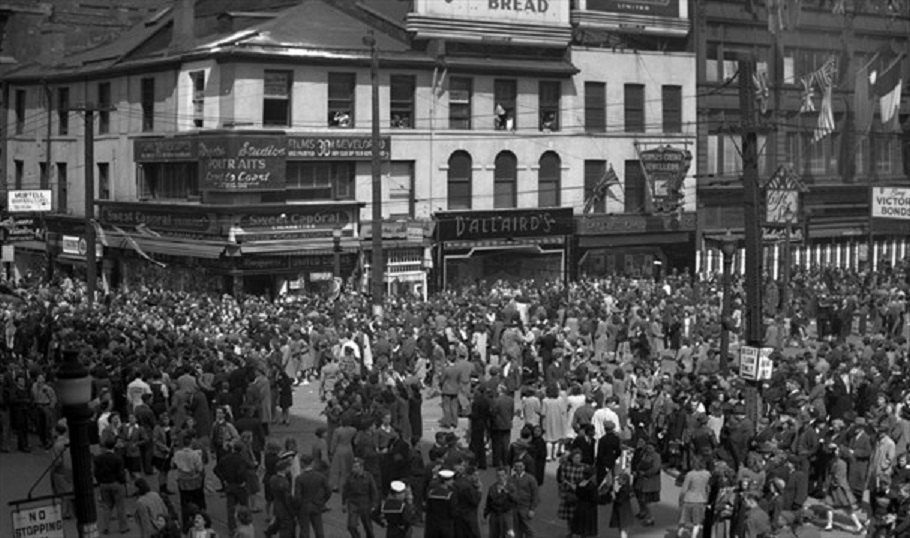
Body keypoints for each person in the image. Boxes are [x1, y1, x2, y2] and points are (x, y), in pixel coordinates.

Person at [94, 438, 130, 535]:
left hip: (104, 484)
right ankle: (123, 527)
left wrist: (100, 481)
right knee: (120, 506)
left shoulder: (98, 458)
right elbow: (121, 473)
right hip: (116, 483)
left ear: (104, 447)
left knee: (106, 506)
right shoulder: (118, 458)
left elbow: (96, 472)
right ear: (114, 447)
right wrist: (122, 481)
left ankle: (105, 527)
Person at [172, 432, 206, 523]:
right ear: (191, 443)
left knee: (184, 503)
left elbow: (173, 465)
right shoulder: (195, 454)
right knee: (198, 501)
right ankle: (199, 520)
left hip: (182, 481)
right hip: (194, 480)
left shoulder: (177, 454)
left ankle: (186, 522)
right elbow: (199, 468)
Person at [296, 453, 331, 538]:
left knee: (305, 531)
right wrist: (323, 501)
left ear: (302, 463)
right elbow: (328, 491)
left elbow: (298, 496)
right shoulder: (320, 476)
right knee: (319, 529)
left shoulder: (300, 478)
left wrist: (296, 507)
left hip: (304, 507)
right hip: (316, 505)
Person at [343, 457, 379, 538]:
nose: (353, 469)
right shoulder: (350, 477)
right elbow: (345, 490)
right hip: (353, 502)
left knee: (368, 526)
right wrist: (343, 503)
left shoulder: (368, 477)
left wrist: (374, 504)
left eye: (356, 467)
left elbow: (374, 491)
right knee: (351, 526)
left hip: (365, 503)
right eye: (353, 467)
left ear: (361, 468)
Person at [679, 457, 712, 538]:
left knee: (684, 519)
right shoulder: (707, 474)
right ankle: (694, 535)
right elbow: (708, 488)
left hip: (688, 499)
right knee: (696, 522)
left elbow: (684, 489)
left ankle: (679, 533)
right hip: (700, 500)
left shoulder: (690, 474)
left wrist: (680, 499)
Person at [484, 467, 516, 538]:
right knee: (493, 535)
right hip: (494, 515)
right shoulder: (492, 488)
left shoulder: (511, 487)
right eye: (498, 475)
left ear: (506, 476)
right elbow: (488, 502)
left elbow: (515, 500)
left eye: (503, 475)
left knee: (508, 535)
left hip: (506, 515)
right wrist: (485, 514)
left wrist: (507, 493)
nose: (500, 478)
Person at [510, 460, 538, 538]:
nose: (518, 468)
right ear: (514, 468)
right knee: (516, 530)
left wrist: (532, 509)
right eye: (516, 466)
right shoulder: (511, 479)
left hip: (525, 508)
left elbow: (535, 495)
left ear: (524, 467)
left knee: (529, 530)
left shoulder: (530, 479)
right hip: (514, 508)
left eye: (520, 466)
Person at [426, 469, 457, 538]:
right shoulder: (450, 495)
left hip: (433, 526)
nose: (453, 481)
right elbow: (453, 512)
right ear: (446, 482)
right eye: (451, 480)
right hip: (446, 526)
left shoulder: (431, 493)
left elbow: (428, 509)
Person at [570, 464, 599, 538]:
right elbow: (595, 498)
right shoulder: (592, 486)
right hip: (589, 510)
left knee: (579, 528)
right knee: (585, 530)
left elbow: (577, 492)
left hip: (580, 507)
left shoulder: (581, 483)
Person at [609, 472, 635, 538]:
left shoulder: (624, 489)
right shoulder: (626, 488)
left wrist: (614, 497)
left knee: (623, 529)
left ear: (624, 480)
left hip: (622, 511)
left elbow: (620, 500)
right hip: (625, 510)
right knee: (623, 529)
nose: (618, 481)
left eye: (619, 479)